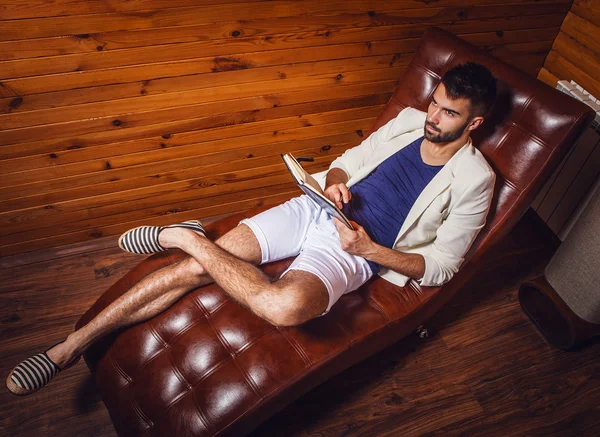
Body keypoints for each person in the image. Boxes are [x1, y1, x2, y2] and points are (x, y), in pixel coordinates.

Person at [7, 62, 497, 396]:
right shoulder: (411, 120)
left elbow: (442, 267)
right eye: (434, 104)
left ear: (473, 123)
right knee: (192, 271)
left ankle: (183, 235)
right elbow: (347, 162)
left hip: (355, 251)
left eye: (448, 113)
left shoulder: (475, 180)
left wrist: (370, 249)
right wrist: (337, 184)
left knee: (282, 306)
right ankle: (67, 348)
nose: (433, 118)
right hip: (316, 208)